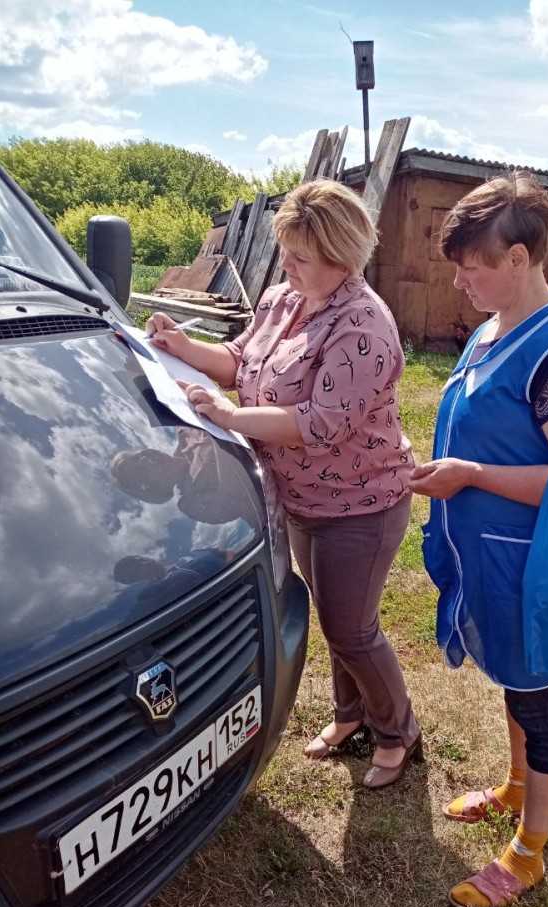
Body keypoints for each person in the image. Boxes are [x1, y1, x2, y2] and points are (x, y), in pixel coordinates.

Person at [146, 179, 421, 788]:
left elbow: (318, 425)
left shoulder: (363, 327)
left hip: (361, 504)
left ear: (340, 255)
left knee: (352, 626)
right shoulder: (281, 299)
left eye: (300, 256)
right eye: (285, 252)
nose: (286, 265)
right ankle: (351, 715)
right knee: (332, 616)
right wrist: (183, 347)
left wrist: (229, 417)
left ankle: (399, 731)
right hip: (301, 499)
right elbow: (240, 358)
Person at [411, 172, 548, 907]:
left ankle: (529, 851)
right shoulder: (495, 329)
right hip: (485, 556)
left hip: (528, 563)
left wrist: (471, 473)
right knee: (512, 678)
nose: (460, 280)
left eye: (474, 265)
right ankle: (518, 783)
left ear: (521, 258)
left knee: (539, 698)